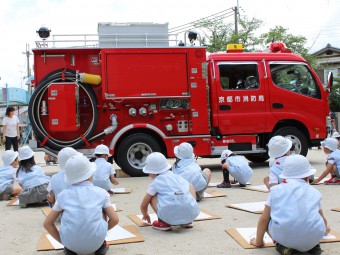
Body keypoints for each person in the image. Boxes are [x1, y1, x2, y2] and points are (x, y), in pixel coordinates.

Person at [250, 155, 330, 255]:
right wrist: (325, 230)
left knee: (268, 218)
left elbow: (263, 220)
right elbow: (322, 220)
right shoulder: (315, 192)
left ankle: (282, 247)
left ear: (285, 175)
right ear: (308, 176)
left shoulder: (275, 191)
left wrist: (258, 242)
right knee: (310, 225)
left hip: (286, 236)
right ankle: (312, 247)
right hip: (312, 238)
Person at [43, 154, 119, 255]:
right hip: (96, 242)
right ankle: (101, 245)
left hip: (70, 245)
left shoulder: (63, 195)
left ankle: (69, 249)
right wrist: (101, 232)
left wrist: (64, 242)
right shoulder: (101, 193)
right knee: (102, 210)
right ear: (91, 174)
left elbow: (47, 224)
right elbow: (115, 219)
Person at [140, 152, 200, 231]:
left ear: (152, 173)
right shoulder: (178, 177)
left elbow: (144, 204)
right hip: (190, 215)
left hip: (168, 217)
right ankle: (187, 221)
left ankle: (163, 222)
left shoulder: (155, 183)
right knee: (189, 186)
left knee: (151, 196)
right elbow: (188, 187)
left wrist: (145, 214)